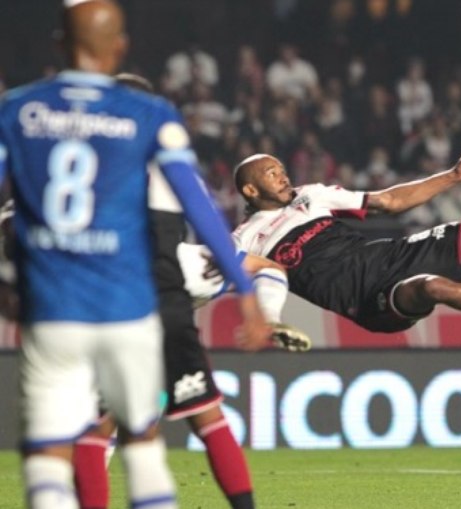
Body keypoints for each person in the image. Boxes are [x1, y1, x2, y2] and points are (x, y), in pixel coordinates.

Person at [0, 2, 270, 508]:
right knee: (144, 440)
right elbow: (202, 207)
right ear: (120, 45)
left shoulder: (17, 109)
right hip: (133, 306)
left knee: (54, 446)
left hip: (56, 304)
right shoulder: (148, 117)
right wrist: (246, 290)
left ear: (59, 44)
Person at [67, 73, 304, 509]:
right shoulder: (167, 162)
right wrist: (259, 312)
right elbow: (217, 230)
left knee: (95, 428)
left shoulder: (79, 162)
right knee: (207, 417)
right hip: (170, 289)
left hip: (107, 302)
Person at [231, 148, 461, 336]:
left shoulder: (310, 196)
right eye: (271, 173)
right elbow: (224, 276)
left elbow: (390, 201)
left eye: (281, 168)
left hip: (391, 255)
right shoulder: (244, 239)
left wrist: (452, 175)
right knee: (433, 288)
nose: (283, 175)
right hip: (366, 298)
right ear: (250, 189)